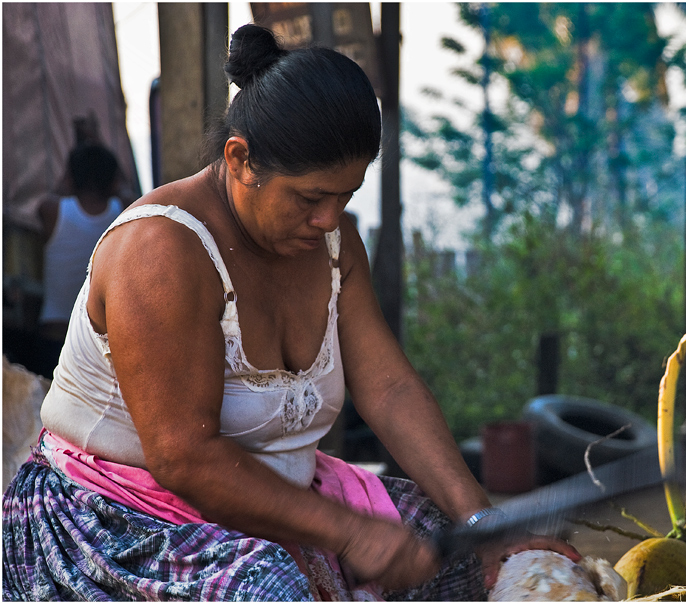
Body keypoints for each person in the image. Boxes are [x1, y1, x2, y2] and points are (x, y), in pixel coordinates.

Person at [2, 24, 579, 601]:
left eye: (345, 197)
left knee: (450, 557)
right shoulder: (160, 252)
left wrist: (482, 524)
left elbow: (389, 389)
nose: (330, 219)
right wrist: (349, 532)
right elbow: (185, 458)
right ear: (240, 159)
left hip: (278, 496)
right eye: (310, 198)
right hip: (113, 518)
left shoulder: (331, 243)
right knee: (270, 586)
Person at [35, 143, 123, 379]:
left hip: (55, 332)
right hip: (98, 340)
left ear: (70, 177)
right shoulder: (121, 211)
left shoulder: (51, 209)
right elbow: (126, 189)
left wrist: (72, 175)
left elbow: (59, 190)